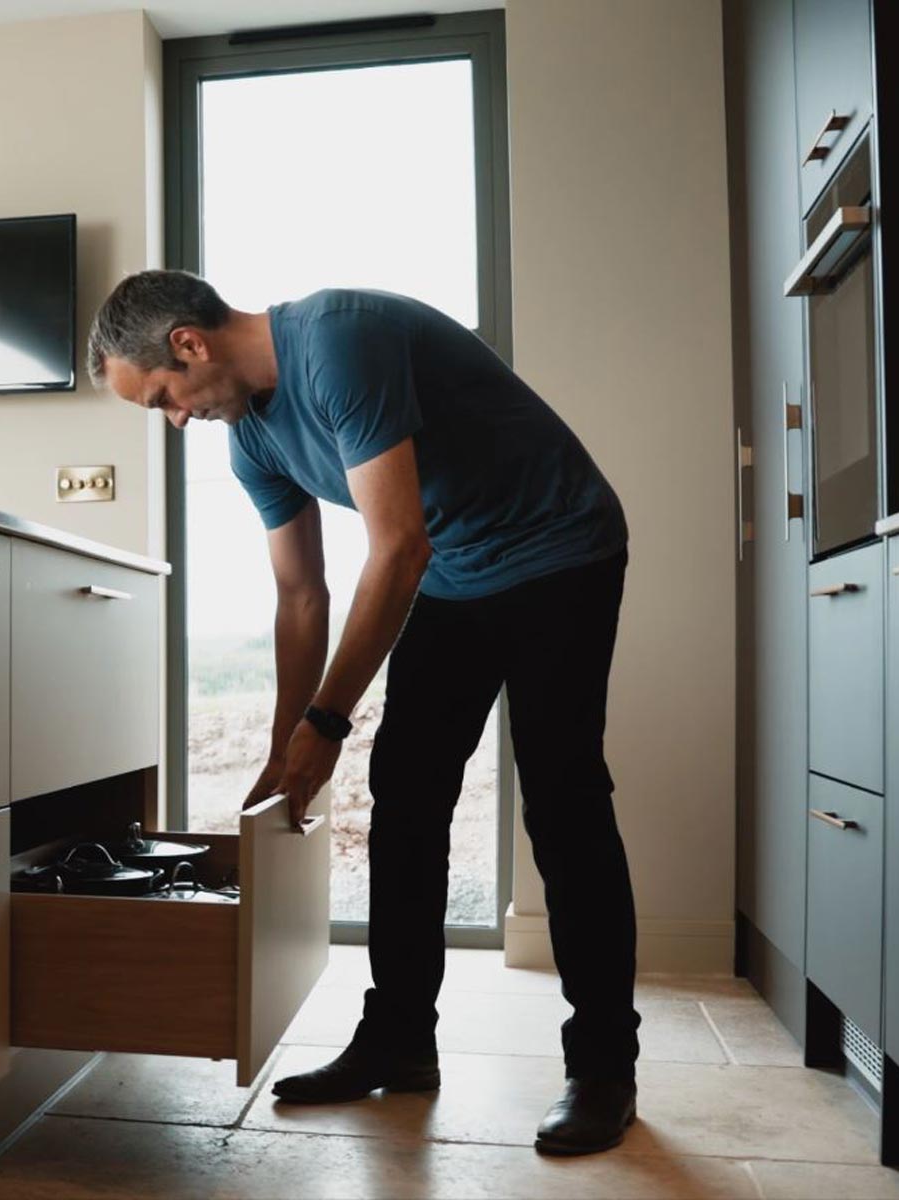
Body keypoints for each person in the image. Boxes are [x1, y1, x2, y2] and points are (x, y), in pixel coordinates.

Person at [86, 270, 641, 1156]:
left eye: (163, 399)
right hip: (462, 571)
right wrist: (284, 750)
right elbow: (301, 595)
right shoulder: (252, 440)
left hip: (558, 545)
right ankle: (399, 1041)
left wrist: (330, 722)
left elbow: (397, 544)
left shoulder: (342, 339)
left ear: (188, 345)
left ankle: (605, 1065)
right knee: (407, 790)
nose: (177, 420)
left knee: (563, 793)